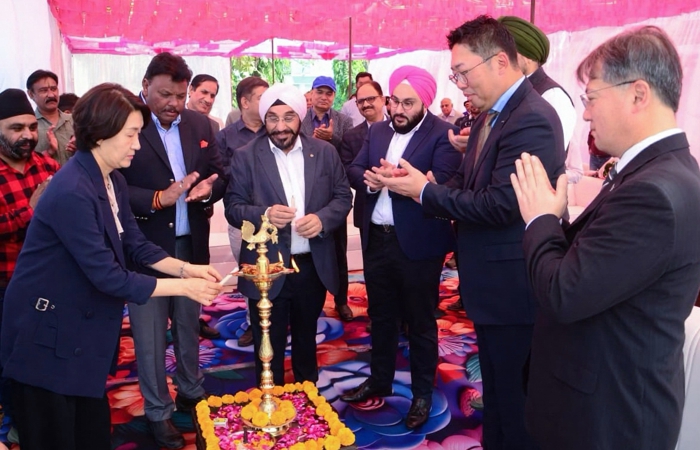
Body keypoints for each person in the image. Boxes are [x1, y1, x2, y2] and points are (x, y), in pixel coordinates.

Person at [0, 83, 223, 450]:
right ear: (101, 134)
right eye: (131, 135)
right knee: (56, 433)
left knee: (90, 430)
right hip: (47, 332)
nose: (138, 145)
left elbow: (134, 243)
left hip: (80, 328)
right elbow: (108, 276)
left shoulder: (112, 178)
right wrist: (185, 288)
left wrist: (186, 269)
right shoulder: (72, 189)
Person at [376, 17, 566, 448]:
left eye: (463, 72)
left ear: (499, 62)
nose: (459, 83)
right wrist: (425, 182)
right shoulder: (489, 116)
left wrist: (424, 192)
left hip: (512, 288)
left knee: (516, 399)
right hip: (487, 284)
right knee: (496, 393)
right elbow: (465, 183)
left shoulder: (532, 119)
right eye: (455, 75)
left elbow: (500, 204)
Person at [509, 26, 700, 450]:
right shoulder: (662, 171)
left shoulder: (653, 192)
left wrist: (540, 218)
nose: (587, 114)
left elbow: (564, 293)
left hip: (607, 418)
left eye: (591, 98)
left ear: (638, 94)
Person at [341, 66, 462, 429]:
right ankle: (380, 380)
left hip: (419, 242)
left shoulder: (442, 134)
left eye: (408, 103)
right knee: (381, 315)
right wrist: (372, 180)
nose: (398, 110)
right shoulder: (377, 131)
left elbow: (446, 183)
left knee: (420, 321)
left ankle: (422, 394)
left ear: (424, 103)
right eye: (395, 101)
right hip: (377, 239)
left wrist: (405, 181)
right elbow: (354, 169)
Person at [120, 52, 226, 449]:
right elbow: (114, 184)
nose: (174, 104)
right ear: (145, 86)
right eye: (165, 94)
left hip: (190, 244)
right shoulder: (128, 122)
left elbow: (219, 173)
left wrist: (207, 191)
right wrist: (158, 199)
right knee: (149, 337)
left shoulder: (201, 124)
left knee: (187, 325)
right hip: (145, 248)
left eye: (180, 96)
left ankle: (190, 389)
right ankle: (157, 412)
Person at [225, 83, 352, 385]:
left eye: (288, 117)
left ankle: (308, 394)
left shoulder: (325, 152)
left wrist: (322, 219)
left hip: (311, 266)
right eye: (272, 118)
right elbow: (233, 208)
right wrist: (265, 215)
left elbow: (343, 196)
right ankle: (270, 398)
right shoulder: (246, 156)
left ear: (300, 116)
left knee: (307, 339)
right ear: (264, 119)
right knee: (268, 346)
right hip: (267, 268)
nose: (280, 126)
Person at [0, 88, 60, 448]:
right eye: (16, 128)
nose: (27, 135)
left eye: (31, 127)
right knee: (11, 359)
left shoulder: (47, 167)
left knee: (47, 354)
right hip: (6, 284)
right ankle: (18, 421)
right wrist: (32, 210)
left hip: (48, 282)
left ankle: (45, 417)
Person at [216, 76, 270, 347]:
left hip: (274, 217)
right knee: (250, 272)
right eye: (262, 97)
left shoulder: (275, 130)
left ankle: (276, 320)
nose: (268, 102)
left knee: (276, 270)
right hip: (242, 218)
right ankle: (254, 323)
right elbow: (221, 171)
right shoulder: (226, 137)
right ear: (245, 102)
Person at [498, 16, 583, 184]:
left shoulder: (553, 96)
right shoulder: (508, 91)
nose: (501, 60)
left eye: (506, 53)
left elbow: (546, 161)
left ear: (528, 57)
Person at [301, 76, 355, 322]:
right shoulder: (300, 118)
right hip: (305, 192)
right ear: (311, 94)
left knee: (338, 249)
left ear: (334, 96)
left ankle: (341, 300)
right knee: (306, 248)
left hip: (334, 194)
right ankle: (307, 299)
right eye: (319, 92)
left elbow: (350, 154)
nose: (324, 97)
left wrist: (332, 139)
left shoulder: (343, 121)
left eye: (329, 93)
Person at [339, 80, 386, 247]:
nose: (365, 104)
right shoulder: (351, 136)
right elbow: (347, 170)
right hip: (367, 208)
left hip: (402, 208)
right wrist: (372, 183)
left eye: (371, 99)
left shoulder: (400, 128)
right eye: (360, 101)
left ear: (383, 99)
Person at [26, 69, 75, 165]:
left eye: (53, 89)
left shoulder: (75, 121)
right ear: (31, 94)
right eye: (43, 90)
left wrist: (80, 150)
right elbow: (24, 164)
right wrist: (48, 152)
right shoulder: (29, 127)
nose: (51, 95)